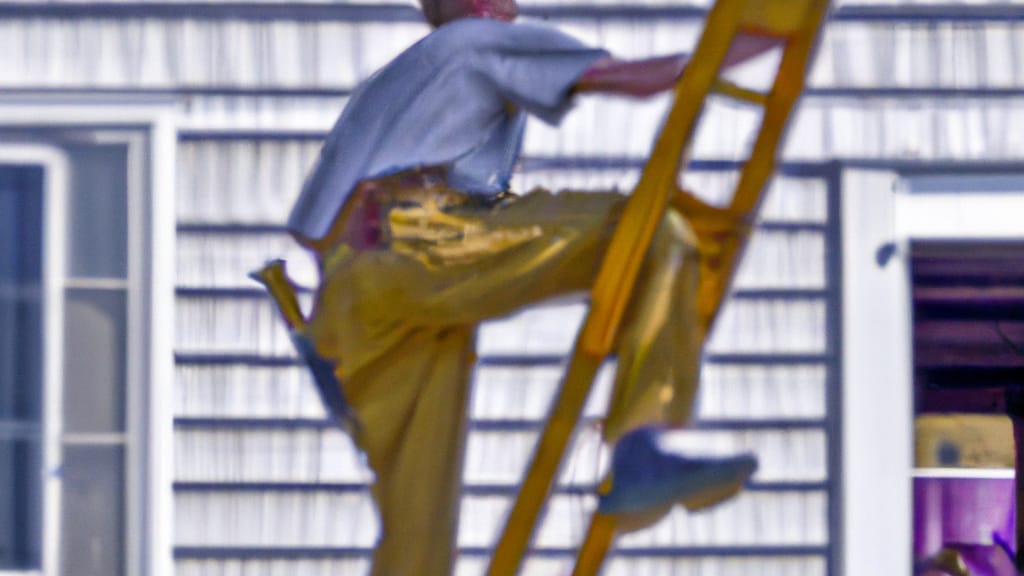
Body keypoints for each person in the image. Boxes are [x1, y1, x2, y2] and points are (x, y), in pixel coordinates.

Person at [285, 0, 778, 573]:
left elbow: (310, 231)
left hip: (356, 295)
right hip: (424, 239)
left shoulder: (391, 82)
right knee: (652, 231)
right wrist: (752, 46)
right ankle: (643, 441)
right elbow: (627, 79)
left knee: (417, 528)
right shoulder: (476, 39)